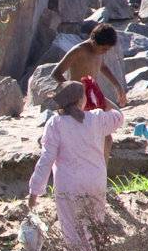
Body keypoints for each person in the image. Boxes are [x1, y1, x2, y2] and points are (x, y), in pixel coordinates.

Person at [28, 80, 127, 251]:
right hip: (95, 182)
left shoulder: (55, 124)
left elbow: (46, 159)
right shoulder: (96, 118)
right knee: (94, 227)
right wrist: (100, 96)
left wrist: (35, 191)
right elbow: (118, 116)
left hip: (69, 185)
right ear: (82, 99)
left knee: (71, 230)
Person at [53, 24, 128, 160]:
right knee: (105, 137)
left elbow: (103, 67)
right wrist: (71, 91)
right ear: (94, 41)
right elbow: (56, 73)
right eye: (104, 48)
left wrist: (118, 86)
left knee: (117, 117)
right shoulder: (79, 50)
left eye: (108, 49)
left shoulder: (99, 52)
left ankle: (101, 170)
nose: (105, 52)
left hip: (93, 94)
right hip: (78, 98)